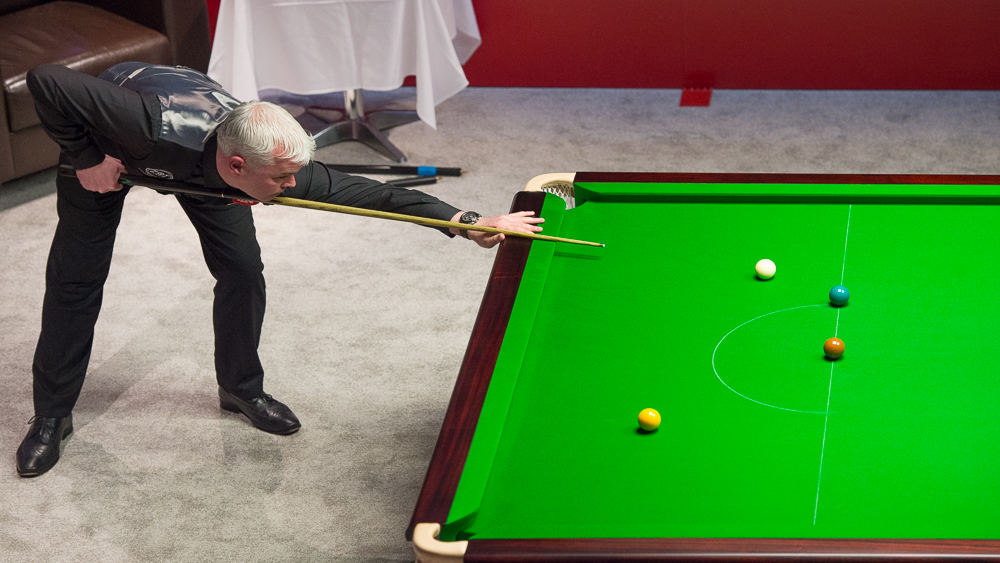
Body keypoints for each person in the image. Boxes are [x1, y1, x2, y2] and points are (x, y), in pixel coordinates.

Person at [15, 62, 543, 478]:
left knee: (243, 269)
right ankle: (52, 414)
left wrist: (465, 221)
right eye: (282, 179)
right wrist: (85, 155)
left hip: (205, 165)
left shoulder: (264, 162)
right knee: (75, 279)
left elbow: (375, 194)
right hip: (111, 147)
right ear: (240, 165)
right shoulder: (140, 121)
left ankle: (241, 388)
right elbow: (47, 79)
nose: (292, 187)